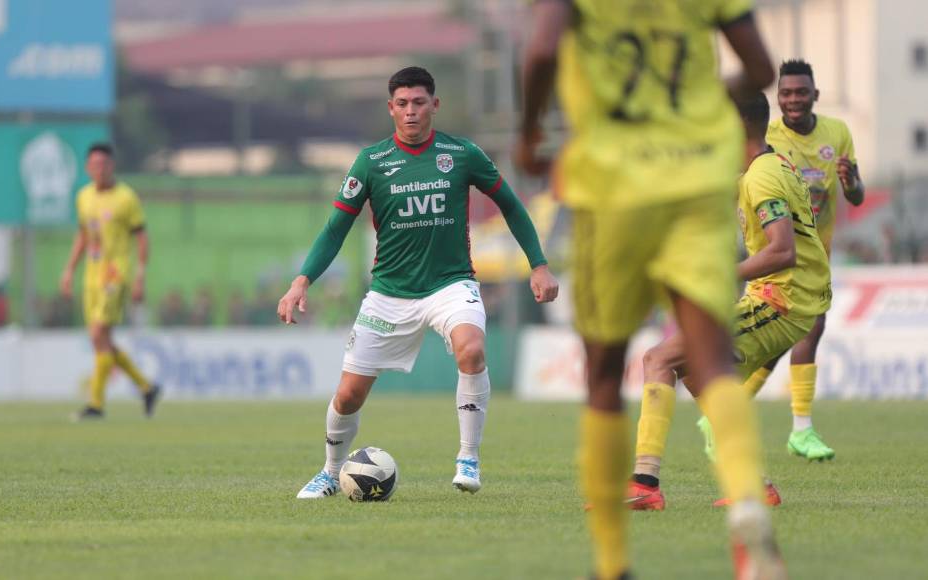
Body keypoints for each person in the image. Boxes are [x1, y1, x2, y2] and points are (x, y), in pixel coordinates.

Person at [517, 2, 782, 579]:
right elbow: (760, 67)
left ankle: (612, 563)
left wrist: (531, 129)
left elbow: (540, 51)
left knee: (606, 373)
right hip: (695, 180)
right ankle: (747, 511)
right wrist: (699, 101)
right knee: (709, 357)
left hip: (614, 183)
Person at [280, 66, 559, 499]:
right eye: (403, 104)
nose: (411, 112)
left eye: (419, 103)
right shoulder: (371, 163)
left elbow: (511, 205)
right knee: (349, 394)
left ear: (434, 105)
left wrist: (538, 264)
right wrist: (301, 282)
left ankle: (468, 457)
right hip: (389, 293)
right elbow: (336, 227)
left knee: (472, 349)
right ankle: (331, 472)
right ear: (391, 108)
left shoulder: (461, 153)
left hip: (451, 285)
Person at [629, 93, 832, 511]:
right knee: (694, 375)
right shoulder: (771, 165)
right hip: (791, 296)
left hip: (782, 299)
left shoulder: (761, 176)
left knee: (659, 359)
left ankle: (645, 485)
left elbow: (782, 250)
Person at [742, 59, 864, 461]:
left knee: (784, 340)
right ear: (778, 99)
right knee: (802, 329)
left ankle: (730, 410)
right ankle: (800, 428)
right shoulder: (766, 136)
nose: (793, 99)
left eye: (800, 92)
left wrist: (853, 183)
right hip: (777, 255)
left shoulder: (837, 133)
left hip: (816, 253)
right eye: (786, 93)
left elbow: (856, 196)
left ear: (815, 95)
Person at [60, 143, 161, 420]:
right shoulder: (83, 198)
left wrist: (140, 275)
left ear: (112, 166)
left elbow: (141, 237)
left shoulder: (126, 198)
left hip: (115, 274)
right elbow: (83, 236)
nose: (100, 169)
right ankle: (147, 388)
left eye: (104, 164)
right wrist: (69, 270)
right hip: (91, 276)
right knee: (102, 341)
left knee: (97, 335)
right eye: (94, 165)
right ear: (87, 168)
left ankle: (96, 404)